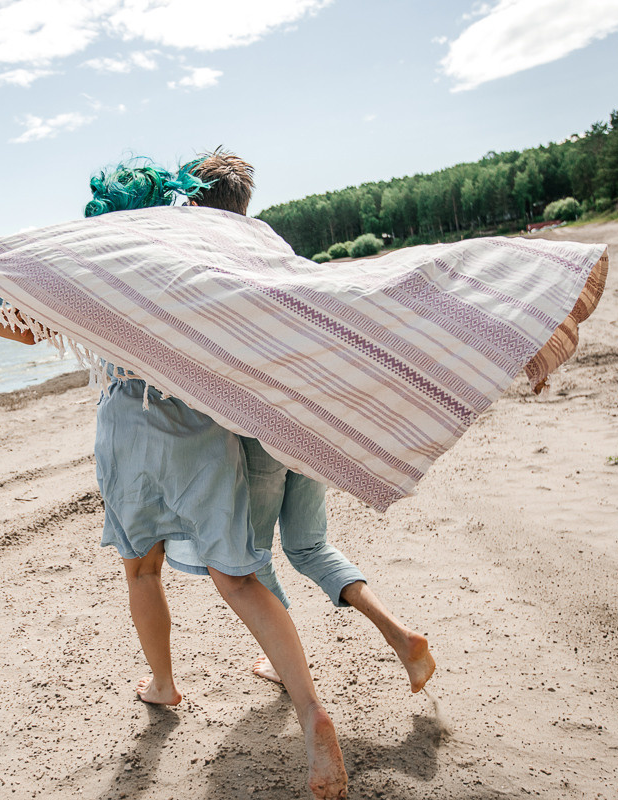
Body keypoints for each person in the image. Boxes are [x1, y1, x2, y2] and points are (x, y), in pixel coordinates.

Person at [0, 158, 349, 800]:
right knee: (236, 571)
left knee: (141, 569)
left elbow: (29, 328)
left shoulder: (98, 274)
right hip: (203, 427)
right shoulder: (191, 269)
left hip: (127, 423)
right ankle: (311, 709)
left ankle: (164, 685)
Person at [172, 148, 436, 693]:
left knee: (253, 555)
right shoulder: (272, 246)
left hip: (261, 429)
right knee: (310, 546)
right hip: (309, 421)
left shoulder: (207, 261)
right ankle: (400, 635)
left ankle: (285, 662)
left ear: (193, 202)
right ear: (244, 201)